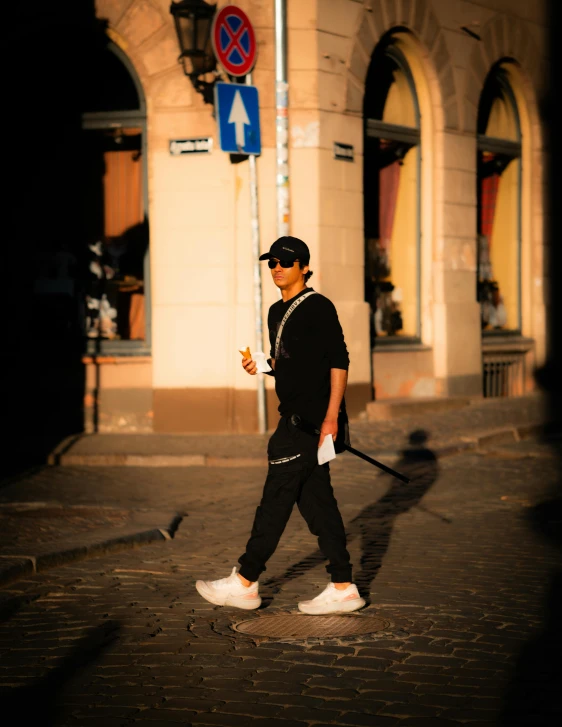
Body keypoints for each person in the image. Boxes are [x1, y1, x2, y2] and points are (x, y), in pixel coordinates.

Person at [196, 236, 365, 615]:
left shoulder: (319, 307)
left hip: (307, 424)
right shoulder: (276, 311)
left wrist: (331, 418)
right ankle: (343, 586)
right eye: (271, 262)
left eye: (285, 262)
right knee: (320, 507)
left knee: (274, 503)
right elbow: (288, 362)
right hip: (294, 416)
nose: (276, 268)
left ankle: (244, 582)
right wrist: (264, 365)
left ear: (304, 267)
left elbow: (339, 361)